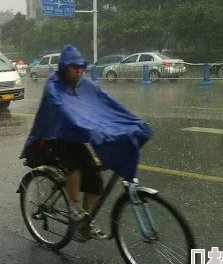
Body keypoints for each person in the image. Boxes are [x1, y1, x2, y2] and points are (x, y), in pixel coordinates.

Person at [22, 45, 152, 241]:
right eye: (75, 68)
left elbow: (106, 102)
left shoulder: (84, 84)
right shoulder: (53, 86)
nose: (79, 71)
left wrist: (131, 122)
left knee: (95, 181)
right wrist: (93, 129)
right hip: (48, 140)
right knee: (73, 168)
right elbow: (67, 110)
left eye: (82, 68)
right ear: (64, 67)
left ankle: (85, 220)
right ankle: (73, 207)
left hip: (72, 139)